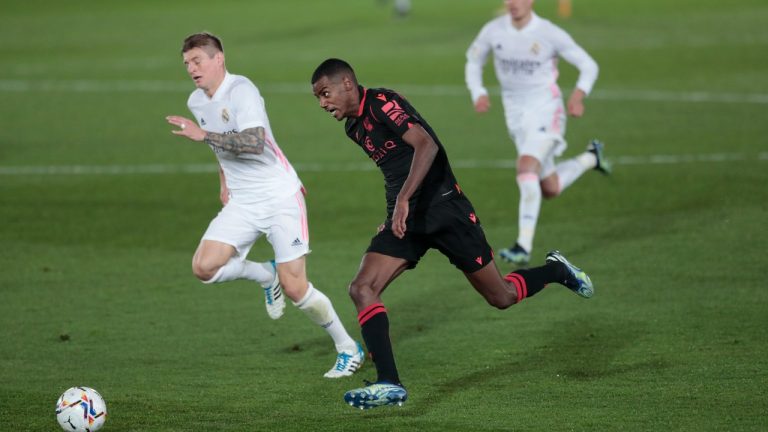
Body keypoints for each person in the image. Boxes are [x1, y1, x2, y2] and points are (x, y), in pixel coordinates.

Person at [311, 58, 595, 409]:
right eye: (318, 98)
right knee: (361, 288)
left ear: (347, 84)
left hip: (447, 210)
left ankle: (556, 270)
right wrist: (395, 211)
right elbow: (395, 170)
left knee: (501, 296)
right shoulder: (354, 129)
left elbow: (427, 146)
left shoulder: (383, 103)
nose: (323, 103)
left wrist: (402, 199)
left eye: (325, 93)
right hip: (408, 220)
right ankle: (389, 383)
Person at [165, 33, 363, 378]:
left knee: (296, 287)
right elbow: (220, 148)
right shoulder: (197, 102)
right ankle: (264, 275)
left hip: (279, 197)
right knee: (204, 268)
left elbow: (255, 142)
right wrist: (224, 182)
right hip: (243, 201)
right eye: (186, 64)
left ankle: (348, 348)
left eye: (197, 61)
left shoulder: (242, 91)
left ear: (218, 59)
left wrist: (204, 135)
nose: (191, 69)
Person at [465, 0, 611, 265]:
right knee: (550, 187)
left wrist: (578, 95)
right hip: (516, 117)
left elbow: (589, 65)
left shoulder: (549, 32)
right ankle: (592, 158)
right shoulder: (493, 30)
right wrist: (479, 92)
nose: (513, 3)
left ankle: (523, 245)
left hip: (546, 110)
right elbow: (473, 62)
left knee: (525, 169)